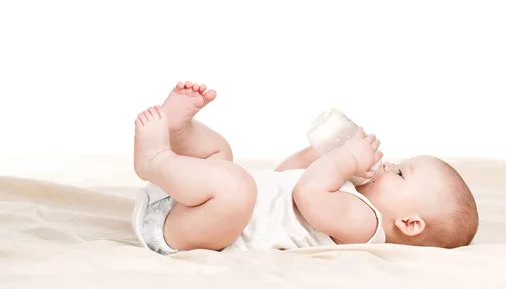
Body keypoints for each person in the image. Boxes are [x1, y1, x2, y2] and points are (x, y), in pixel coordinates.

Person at [131, 81, 479, 255]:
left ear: (410, 223)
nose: (390, 165)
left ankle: (157, 160)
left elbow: (307, 192)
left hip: (188, 232)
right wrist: (321, 151)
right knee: (222, 155)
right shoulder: (351, 195)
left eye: (401, 174)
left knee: (236, 187)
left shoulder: (366, 225)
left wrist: (345, 161)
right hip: (194, 204)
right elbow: (288, 175)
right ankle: (180, 133)